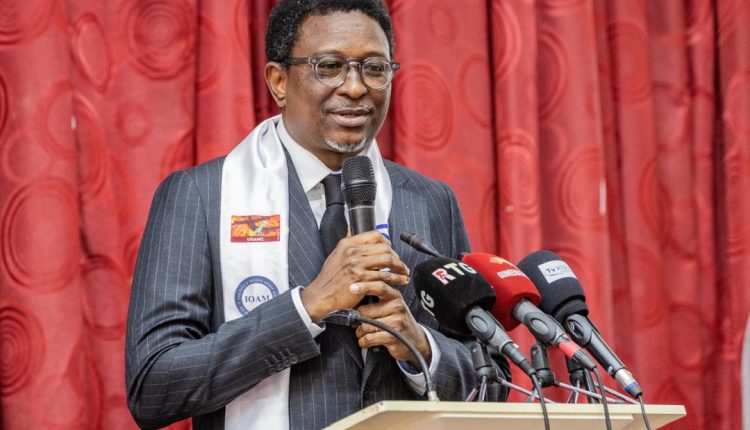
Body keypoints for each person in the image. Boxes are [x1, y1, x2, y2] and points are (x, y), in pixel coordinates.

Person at [125, 1, 509, 429]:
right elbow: (153, 386)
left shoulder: (429, 201)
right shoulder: (201, 196)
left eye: (374, 68)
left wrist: (420, 346)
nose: (356, 87)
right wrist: (306, 308)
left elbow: (493, 382)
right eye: (330, 67)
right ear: (279, 81)